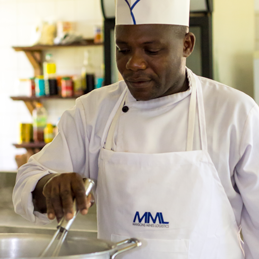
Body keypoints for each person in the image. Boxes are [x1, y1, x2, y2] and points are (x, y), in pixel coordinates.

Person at [13, 0, 259, 258]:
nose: (134, 63)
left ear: (186, 44)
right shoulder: (93, 111)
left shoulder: (234, 113)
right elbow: (27, 181)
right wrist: (50, 185)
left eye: (151, 50)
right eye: (123, 49)